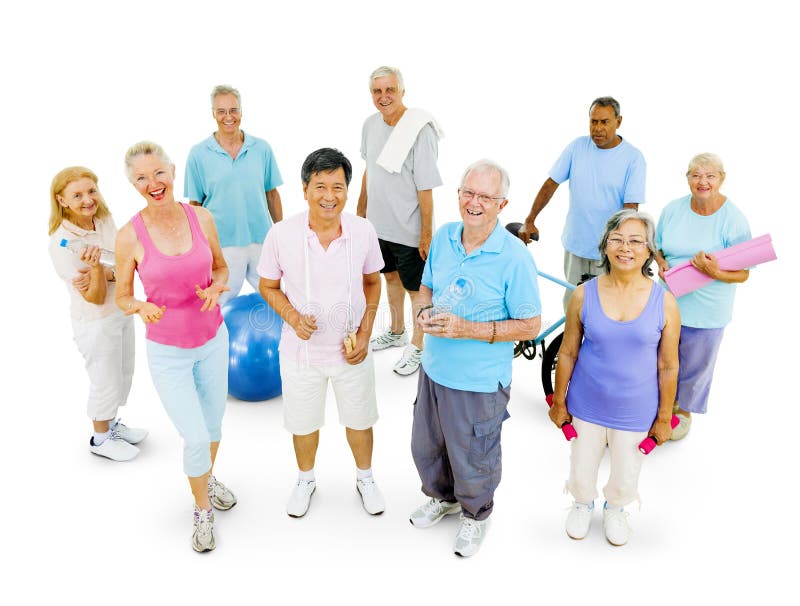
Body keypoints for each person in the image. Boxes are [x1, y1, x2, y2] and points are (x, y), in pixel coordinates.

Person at [410, 160, 541, 557]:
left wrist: (468, 329)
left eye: (485, 196)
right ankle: (443, 497)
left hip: (479, 381)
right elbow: (426, 286)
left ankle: (476, 514)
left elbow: (530, 324)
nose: (474, 202)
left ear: (502, 204)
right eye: (468, 193)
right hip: (434, 370)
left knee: (474, 455)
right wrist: (422, 311)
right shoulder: (446, 236)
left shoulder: (515, 257)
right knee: (427, 446)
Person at [116, 141, 236, 553]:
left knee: (214, 426)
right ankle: (202, 509)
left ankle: (206, 476)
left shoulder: (200, 216)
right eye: (142, 178)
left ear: (172, 170)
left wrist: (218, 287)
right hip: (168, 353)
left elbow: (221, 266)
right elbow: (121, 298)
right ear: (133, 184)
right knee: (196, 436)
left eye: (159, 173)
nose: (153, 183)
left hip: (213, 341)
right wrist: (139, 305)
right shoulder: (129, 235)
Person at [259, 148, 386, 518]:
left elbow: (372, 282)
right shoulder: (281, 234)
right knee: (303, 422)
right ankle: (305, 480)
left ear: (348, 190)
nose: (329, 196)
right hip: (301, 355)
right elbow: (268, 286)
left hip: (351, 351)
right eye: (320, 186)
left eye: (338, 186)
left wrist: (365, 334)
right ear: (304, 189)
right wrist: (293, 317)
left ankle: (365, 478)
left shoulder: (363, 230)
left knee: (360, 420)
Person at [548, 209, 680, 547]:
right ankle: (581, 502)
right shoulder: (583, 294)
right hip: (586, 403)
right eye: (617, 239)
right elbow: (567, 353)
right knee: (581, 468)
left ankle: (616, 508)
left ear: (649, 250)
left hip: (636, 409)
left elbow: (668, 365)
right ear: (605, 246)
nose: (626, 248)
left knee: (625, 474)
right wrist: (559, 402)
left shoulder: (664, 302)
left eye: (636, 241)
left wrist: (665, 417)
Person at [48, 167, 148, 462]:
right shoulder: (60, 243)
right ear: (62, 200)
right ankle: (100, 438)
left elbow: (126, 264)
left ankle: (113, 425)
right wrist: (98, 270)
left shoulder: (104, 220)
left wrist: (107, 271)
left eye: (91, 191)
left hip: (121, 309)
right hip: (95, 321)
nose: (87, 199)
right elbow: (94, 296)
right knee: (105, 379)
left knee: (123, 371)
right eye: (76, 195)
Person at [655, 153, 751, 440]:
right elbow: (658, 247)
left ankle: (682, 412)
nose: (703, 181)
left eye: (710, 176)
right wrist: (660, 262)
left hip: (707, 312)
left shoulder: (733, 219)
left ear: (721, 179)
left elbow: (744, 273)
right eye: (696, 175)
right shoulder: (673, 209)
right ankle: (660, 404)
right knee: (659, 357)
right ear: (687, 179)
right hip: (668, 302)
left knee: (694, 365)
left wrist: (715, 271)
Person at [518, 97, 646, 309]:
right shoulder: (577, 147)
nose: (597, 128)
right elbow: (551, 183)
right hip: (576, 245)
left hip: (609, 251)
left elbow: (630, 209)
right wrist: (530, 219)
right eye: (593, 122)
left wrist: (621, 246)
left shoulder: (633, 158)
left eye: (604, 122)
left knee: (604, 310)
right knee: (572, 307)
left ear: (618, 121)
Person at [357, 65, 443, 376]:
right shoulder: (370, 125)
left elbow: (426, 185)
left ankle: (419, 347)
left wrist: (426, 234)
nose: (384, 97)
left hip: (409, 229)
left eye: (389, 90)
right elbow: (370, 170)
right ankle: (396, 331)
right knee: (389, 279)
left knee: (416, 290)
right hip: (379, 225)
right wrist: (360, 212)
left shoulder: (419, 129)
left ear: (402, 92)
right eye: (377, 91)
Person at [185, 84, 283, 305]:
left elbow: (272, 195)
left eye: (233, 110)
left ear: (241, 111)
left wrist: (280, 233)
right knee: (217, 304)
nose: (228, 117)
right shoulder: (198, 154)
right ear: (213, 114)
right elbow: (194, 205)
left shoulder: (261, 148)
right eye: (221, 111)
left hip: (261, 239)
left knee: (276, 302)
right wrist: (198, 249)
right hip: (222, 243)